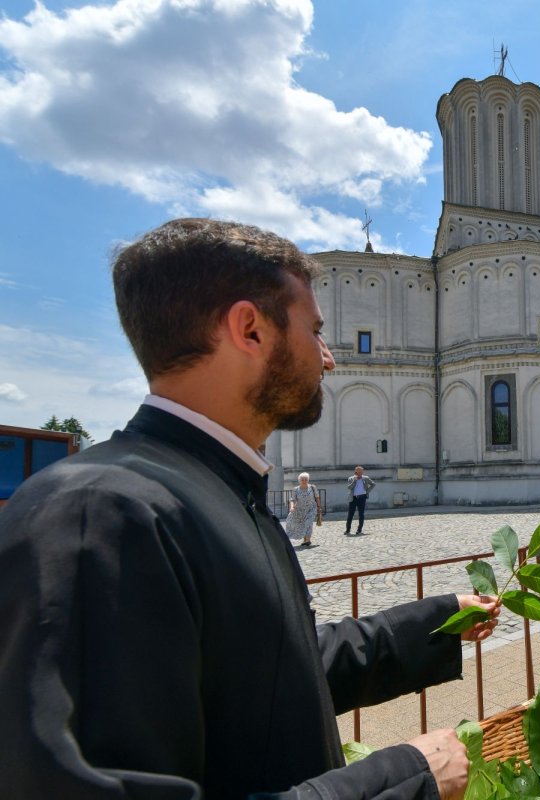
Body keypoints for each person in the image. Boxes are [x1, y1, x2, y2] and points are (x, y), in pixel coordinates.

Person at [0, 218, 501, 799]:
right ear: (250, 330)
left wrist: (437, 621)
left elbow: (270, 675)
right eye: (314, 332)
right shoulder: (98, 518)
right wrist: (405, 780)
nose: (329, 358)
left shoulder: (206, 488)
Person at [286, 471, 322, 548]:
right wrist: (292, 507)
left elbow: (317, 497)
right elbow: (293, 499)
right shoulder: (296, 489)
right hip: (300, 510)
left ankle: (308, 540)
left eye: (306, 479)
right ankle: (305, 539)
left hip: (311, 508)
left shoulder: (312, 487)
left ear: (308, 480)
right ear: (299, 480)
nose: (304, 481)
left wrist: (319, 507)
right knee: (300, 524)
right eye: (302, 479)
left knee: (308, 523)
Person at [345, 465, 375, 535]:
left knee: (361, 514)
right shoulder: (351, 478)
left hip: (362, 497)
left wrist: (367, 491)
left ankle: (359, 530)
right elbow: (349, 487)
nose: (360, 474)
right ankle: (347, 530)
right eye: (358, 472)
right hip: (353, 498)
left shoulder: (366, 478)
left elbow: (373, 484)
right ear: (356, 472)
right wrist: (354, 481)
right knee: (350, 514)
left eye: (361, 472)